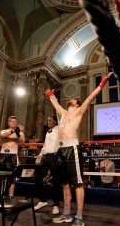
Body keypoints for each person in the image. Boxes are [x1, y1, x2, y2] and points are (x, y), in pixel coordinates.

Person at [46, 72, 113, 226]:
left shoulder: (79, 111)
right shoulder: (62, 113)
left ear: (76, 103)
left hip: (72, 149)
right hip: (61, 150)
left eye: (74, 99)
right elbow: (54, 103)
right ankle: (67, 213)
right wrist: (50, 94)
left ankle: (80, 217)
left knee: (78, 183)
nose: (71, 99)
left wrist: (102, 83)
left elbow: (90, 98)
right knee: (64, 184)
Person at [0, 116, 25, 200]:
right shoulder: (4, 131)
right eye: (12, 121)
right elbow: (3, 134)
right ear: (9, 123)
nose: (13, 122)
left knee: (11, 178)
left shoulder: (20, 133)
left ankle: (10, 196)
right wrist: (13, 131)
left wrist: (17, 132)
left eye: (15, 121)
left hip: (13, 155)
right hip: (3, 154)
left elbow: (22, 141)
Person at [34, 116, 61, 215]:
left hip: (54, 157)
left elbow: (60, 116)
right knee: (37, 178)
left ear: (55, 122)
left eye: (50, 120)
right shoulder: (48, 132)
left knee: (55, 182)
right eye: (48, 120)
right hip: (45, 157)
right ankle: (43, 200)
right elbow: (45, 145)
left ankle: (56, 205)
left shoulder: (59, 129)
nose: (48, 122)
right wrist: (40, 155)